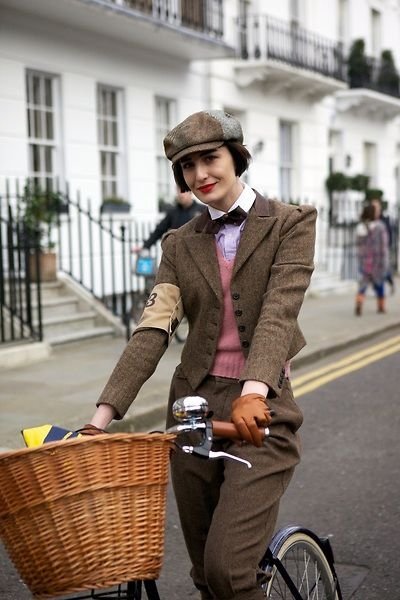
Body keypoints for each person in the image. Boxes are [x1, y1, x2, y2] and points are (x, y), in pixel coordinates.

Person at [82, 110, 317, 599]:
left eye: (210, 158)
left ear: (237, 157)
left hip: (261, 407)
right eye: (187, 167)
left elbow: (279, 311)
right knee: (204, 576)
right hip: (192, 408)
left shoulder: (291, 223)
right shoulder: (178, 244)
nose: (200, 175)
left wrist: (255, 391)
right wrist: (99, 420)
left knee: (229, 570)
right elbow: (153, 330)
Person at [134, 185, 204, 252]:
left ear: (190, 191)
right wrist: (144, 247)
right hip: (178, 253)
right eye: (178, 190)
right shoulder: (172, 213)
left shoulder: (203, 210)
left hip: (198, 252)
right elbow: (159, 231)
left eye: (184, 190)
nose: (181, 194)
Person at [355, 203, 390, 316]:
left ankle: (359, 301)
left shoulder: (361, 227)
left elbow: (358, 245)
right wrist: (385, 261)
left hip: (365, 261)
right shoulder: (380, 227)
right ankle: (381, 306)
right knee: (379, 284)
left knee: (363, 284)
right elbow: (384, 245)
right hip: (377, 260)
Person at [371, 197, 395, 294]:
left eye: (376, 207)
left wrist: (387, 247)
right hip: (372, 251)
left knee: (384, 269)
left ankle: (390, 282)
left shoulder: (384, 220)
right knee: (373, 270)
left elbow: (389, 234)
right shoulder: (370, 220)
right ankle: (377, 289)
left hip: (383, 249)